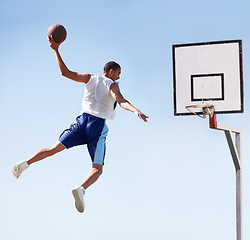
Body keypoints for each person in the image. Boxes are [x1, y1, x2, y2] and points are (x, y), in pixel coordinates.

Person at [12, 36, 149, 213]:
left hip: (81, 122)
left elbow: (65, 73)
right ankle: (81, 189)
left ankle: (25, 163)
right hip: (97, 126)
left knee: (53, 149)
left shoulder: (90, 78)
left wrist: (55, 50)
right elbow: (120, 100)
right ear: (111, 71)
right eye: (118, 73)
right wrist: (135, 109)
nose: (119, 77)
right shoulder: (112, 84)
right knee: (97, 169)